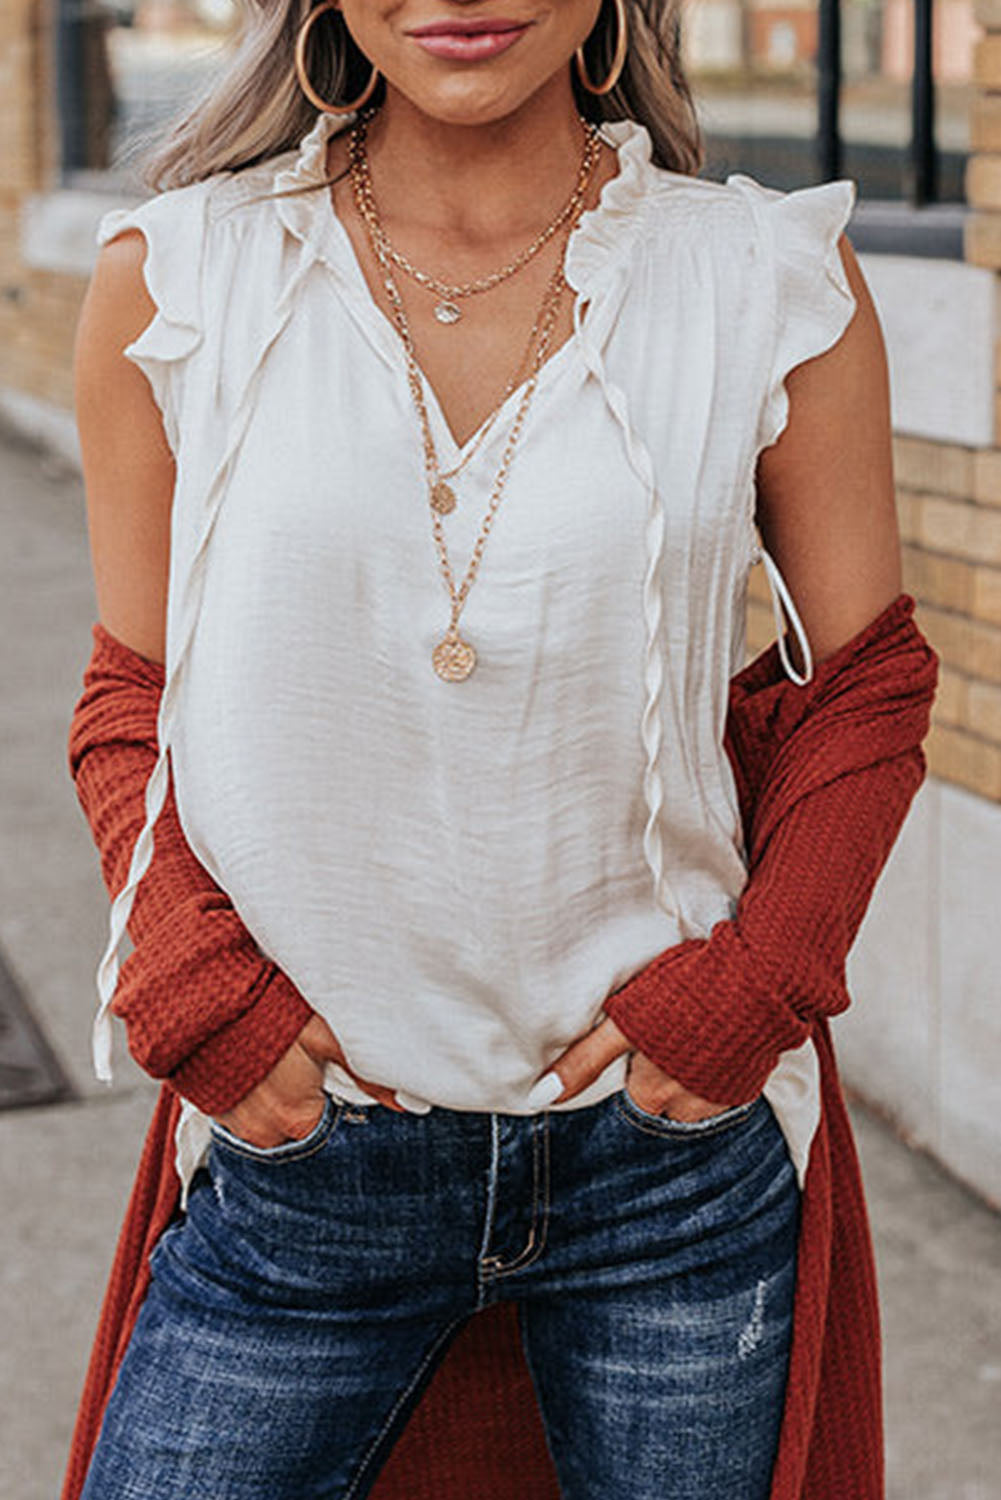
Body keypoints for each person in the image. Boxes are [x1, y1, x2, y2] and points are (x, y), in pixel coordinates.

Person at [65, 2, 937, 1498]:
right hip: (303, 1160)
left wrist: (756, 984)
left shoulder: (764, 280)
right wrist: (193, 988)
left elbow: (864, 683)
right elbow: (131, 697)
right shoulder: (181, 280)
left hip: (665, 1170)